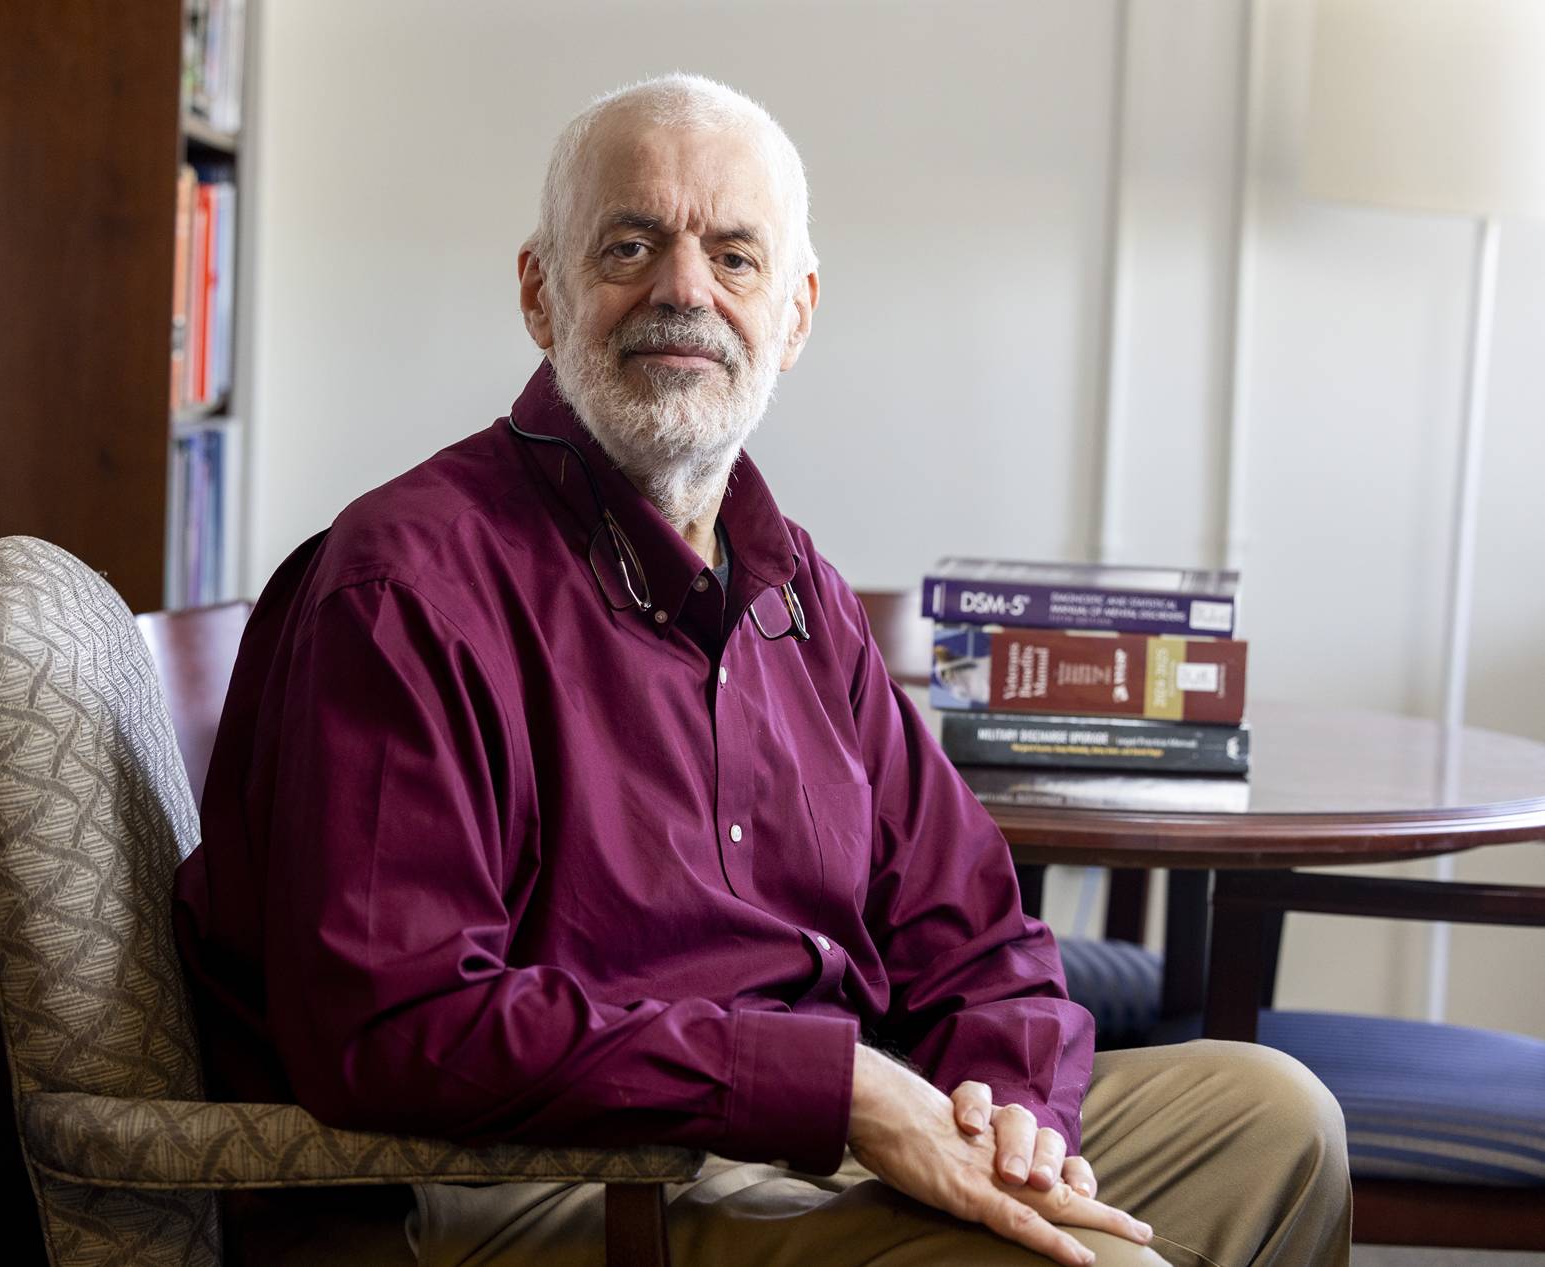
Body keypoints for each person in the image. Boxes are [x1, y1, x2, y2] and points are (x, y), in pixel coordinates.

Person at [173, 73, 1351, 1267]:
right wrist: (837, 1090)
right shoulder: (406, 587)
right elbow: (395, 1024)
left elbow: (980, 941)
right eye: (631, 245)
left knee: (1276, 1119)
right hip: (561, 1180)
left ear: (793, 312)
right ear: (541, 291)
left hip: (826, 1138)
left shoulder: (800, 598)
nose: (684, 290)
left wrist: (1012, 1116)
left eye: (734, 257)